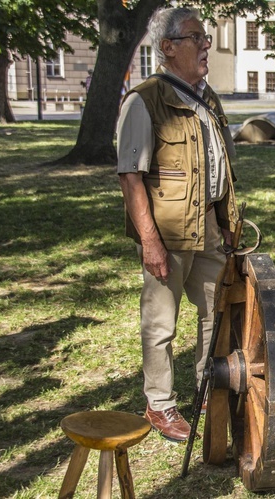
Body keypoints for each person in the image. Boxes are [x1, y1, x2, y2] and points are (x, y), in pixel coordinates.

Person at [116, 7, 238, 442]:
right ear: (168, 48)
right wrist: (149, 241)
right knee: (161, 322)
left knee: (216, 312)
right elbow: (131, 176)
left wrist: (225, 221)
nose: (206, 44)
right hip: (166, 231)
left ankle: (208, 389)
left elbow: (219, 168)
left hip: (207, 225)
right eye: (196, 37)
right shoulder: (143, 100)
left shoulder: (207, 97)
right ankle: (160, 405)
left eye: (206, 36)